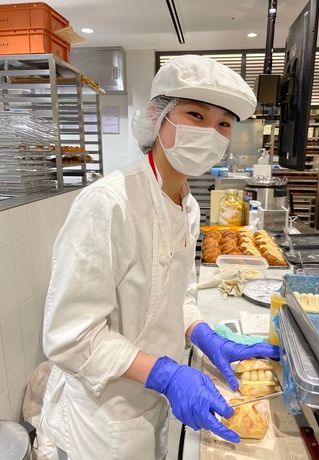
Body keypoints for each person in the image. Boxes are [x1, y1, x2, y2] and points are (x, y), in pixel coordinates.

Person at [41, 54, 279, 460]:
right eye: (195, 115)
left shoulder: (188, 206)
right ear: (159, 118)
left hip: (150, 407)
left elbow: (176, 297)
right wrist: (165, 374)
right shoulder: (108, 204)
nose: (211, 132)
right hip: (99, 421)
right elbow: (69, 335)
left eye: (223, 123)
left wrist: (203, 333)